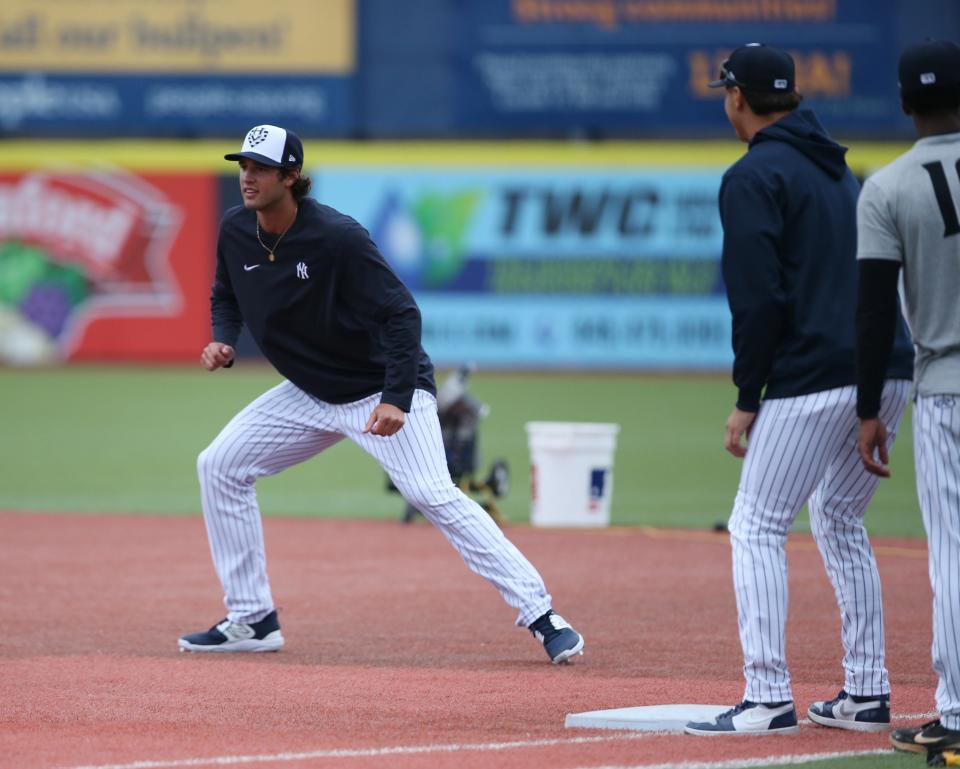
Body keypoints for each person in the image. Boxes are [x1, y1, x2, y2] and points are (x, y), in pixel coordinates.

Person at [178, 124, 584, 665]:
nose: (247, 176)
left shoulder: (337, 238)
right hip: (311, 391)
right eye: (243, 165)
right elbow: (225, 294)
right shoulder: (236, 230)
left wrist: (395, 398)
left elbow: (401, 314)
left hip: (380, 386)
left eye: (261, 168)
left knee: (432, 493)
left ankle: (542, 614)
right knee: (220, 465)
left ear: (292, 176)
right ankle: (253, 619)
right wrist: (222, 340)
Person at [684, 44, 915, 736]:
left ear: (738, 99)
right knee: (841, 519)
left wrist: (747, 395)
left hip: (814, 376)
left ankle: (766, 695)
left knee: (756, 523)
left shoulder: (754, 176)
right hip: (889, 368)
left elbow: (759, 302)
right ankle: (868, 692)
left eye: (727, 92)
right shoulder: (841, 170)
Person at [854, 40, 960, 757]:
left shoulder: (888, 185)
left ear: (902, 103)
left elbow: (871, 312)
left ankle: (956, 710)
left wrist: (869, 408)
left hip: (947, 389)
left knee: (952, 552)